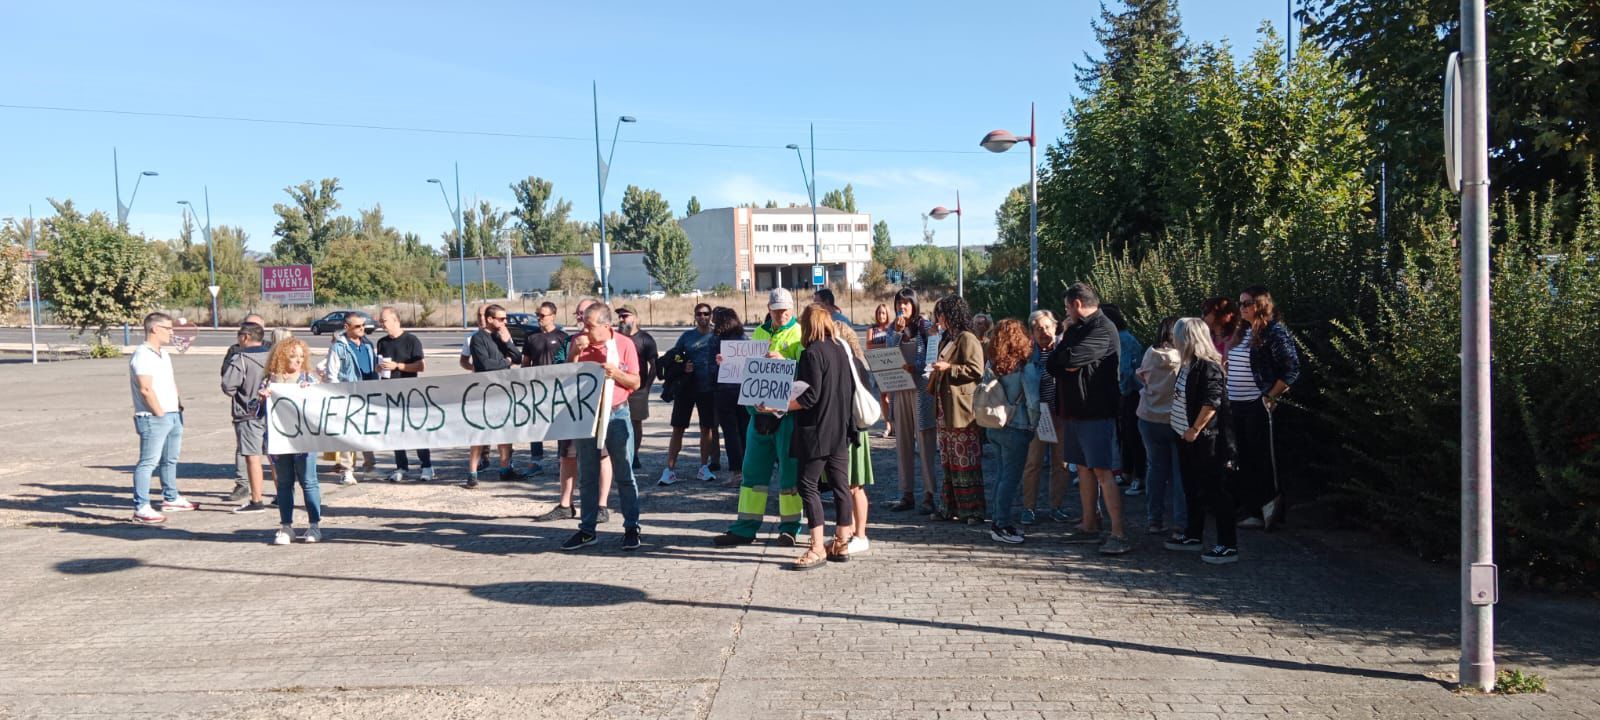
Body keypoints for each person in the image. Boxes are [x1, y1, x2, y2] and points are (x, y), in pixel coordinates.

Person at [760, 304, 855, 570]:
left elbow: (809, 397)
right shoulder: (839, 349)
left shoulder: (812, 353)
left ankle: (815, 547)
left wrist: (776, 405)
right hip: (839, 429)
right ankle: (841, 541)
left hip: (816, 431)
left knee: (807, 485)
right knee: (840, 486)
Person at [712, 288, 804, 547]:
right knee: (752, 472)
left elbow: (807, 372)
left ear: (792, 308)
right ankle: (745, 527)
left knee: (789, 475)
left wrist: (785, 361)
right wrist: (728, 364)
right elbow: (748, 370)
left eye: (785, 309)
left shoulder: (800, 334)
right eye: (776, 309)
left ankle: (790, 528)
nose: (781, 314)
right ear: (769, 309)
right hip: (759, 413)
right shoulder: (760, 334)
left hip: (786, 415)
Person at [1048, 283, 1131, 555]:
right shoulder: (1078, 328)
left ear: (1077, 304)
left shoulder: (1102, 329)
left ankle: (1118, 532)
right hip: (1075, 411)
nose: (1066, 314)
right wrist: (1065, 361)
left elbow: (1071, 357)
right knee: (1083, 468)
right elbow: (1056, 363)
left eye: (1066, 308)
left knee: (1102, 471)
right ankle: (1089, 523)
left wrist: (1065, 360)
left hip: (1096, 411)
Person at [559, 302, 645, 551]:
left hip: (617, 414)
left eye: (590, 325)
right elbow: (565, 378)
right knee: (587, 475)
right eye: (583, 324)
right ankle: (587, 530)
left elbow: (635, 382)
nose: (584, 330)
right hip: (587, 416)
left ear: (607, 326)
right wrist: (574, 353)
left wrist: (615, 374)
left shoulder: (624, 344)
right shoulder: (577, 341)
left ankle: (631, 527)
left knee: (624, 473)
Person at [1164, 317, 1238, 564]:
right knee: (1191, 487)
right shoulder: (1188, 364)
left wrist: (1195, 428)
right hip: (1184, 436)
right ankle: (1193, 534)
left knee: (1215, 490)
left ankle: (1228, 545)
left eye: (1177, 335)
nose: (1173, 339)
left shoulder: (1208, 366)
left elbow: (1212, 401)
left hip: (1206, 440)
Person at [1232, 285, 1300, 528]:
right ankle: (1252, 510)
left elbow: (1291, 369)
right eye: (1240, 303)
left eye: (1247, 303)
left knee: (1262, 458)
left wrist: (1271, 395)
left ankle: (1270, 511)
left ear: (1261, 305)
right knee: (1245, 457)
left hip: (1257, 403)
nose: (1242, 308)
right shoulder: (1243, 332)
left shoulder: (1275, 333)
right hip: (1236, 403)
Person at [127, 312, 196, 524]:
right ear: (155, 329)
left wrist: (177, 406)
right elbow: (145, 388)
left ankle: (171, 497)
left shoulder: (163, 354)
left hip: (173, 413)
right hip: (153, 416)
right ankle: (141, 506)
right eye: (168, 328)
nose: (171, 332)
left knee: (170, 459)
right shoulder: (143, 355)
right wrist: (159, 413)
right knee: (149, 462)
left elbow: (170, 382)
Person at [259, 338, 323, 545]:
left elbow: (321, 407)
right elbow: (256, 412)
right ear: (281, 356)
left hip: (304, 441)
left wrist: (313, 393)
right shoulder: (270, 380)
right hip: (279, 440)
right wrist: (262, 399)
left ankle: (314, 525)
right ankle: (286, 526)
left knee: (309, 481)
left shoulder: (308, 379)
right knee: (284, 483)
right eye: (293, 355)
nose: (297, 360)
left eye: (301, 356)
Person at [929, 295, 986, 523]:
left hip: (962, 411)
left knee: (966, 461)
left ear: (951, 314)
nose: (938, 319)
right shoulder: (947, 338)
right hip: (944, 410)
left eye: (940, 314)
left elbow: (976, 369)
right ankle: (949, 507)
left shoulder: (967, 338)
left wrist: (949, 368)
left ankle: (972, 510)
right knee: (949, 461)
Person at [884, 289, 940, 514]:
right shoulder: (892, 328)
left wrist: (915, 368)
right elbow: (887, 355)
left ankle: (929, 494)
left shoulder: (925, 326)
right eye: (899, 302)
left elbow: (933, 357)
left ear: (914, 304)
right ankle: (906, 494)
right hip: (900, 389)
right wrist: (897, 333)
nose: (903, 306)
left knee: (925, 443)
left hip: (921, 390)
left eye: (907, 302)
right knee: (903, 443)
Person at [986, 319, 1039, 544]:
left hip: (994, 425)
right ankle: (1001, 524)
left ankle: (998, 520)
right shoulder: (1024, 366)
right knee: (1010, 478)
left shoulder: (993, 364)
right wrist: (1034, 425)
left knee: (1001, 475)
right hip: (1017, 427)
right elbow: (1034, 401)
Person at [464, 304, 525, 489]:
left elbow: (518, 358)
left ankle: (505, 468)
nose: (504, 322)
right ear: (490, 319)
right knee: (479, 432)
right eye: (501, 319)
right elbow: (485, 364)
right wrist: (505, 362)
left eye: (505, 318)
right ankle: (472, 472)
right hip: (484, 391)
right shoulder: (477, 339)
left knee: (505, 431)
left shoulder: (501, 337)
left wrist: (508, 342)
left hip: (503, 390)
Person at [1136, 316, 1186, 535]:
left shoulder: (1150, 353)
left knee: (1155, 469)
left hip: (1149, 417)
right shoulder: (1184, 357)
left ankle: (1154, 519)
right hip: (1176, 419)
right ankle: (1181, 521)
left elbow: (1142, 377)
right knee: (1179, 473)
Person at [659, 302, 719, 485]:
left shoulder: (717, 337)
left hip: (708, 388)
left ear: (711, 316)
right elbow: (672, 358)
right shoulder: (687, 337)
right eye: (699, 314)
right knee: (678, 427)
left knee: (706, 428)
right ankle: (669, 469)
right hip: (687, 388)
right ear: (694, 316)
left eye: (706, 314)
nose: (702, 317)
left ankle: (703, 466)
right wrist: (682, 366)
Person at [1020, 310, 1070, 525]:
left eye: (1048, 327)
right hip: (1037, 416)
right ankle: (1028, 508)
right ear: (1032, 331)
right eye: (1039, 328)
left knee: (1062, 464)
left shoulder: (1064, 351)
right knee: (1033, 464)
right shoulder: (1027, 355)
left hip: (1061, 415)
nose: (1044, 332)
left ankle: (1056, 507)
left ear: (1055, 327)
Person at [834, 320, 877, 556]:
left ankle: (860, 533)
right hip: (850, 430)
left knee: (854, 486)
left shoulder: (853, 365)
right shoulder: (854, 362)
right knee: (847, 486)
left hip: (854, 432)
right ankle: (849, 530)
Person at [221, 322, 272, 514]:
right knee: (274, 456)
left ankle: (257, 500)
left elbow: (228, 386)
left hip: (248, 412)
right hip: (273, 412)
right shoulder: (273, 356)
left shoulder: (240, 358)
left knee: (253, 457)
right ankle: (281, 496)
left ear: (245, 337)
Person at [376, 307, 431, 483]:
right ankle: (401, 466)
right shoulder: (382, 342)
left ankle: (427, 466)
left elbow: (421, 366)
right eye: (380, 321)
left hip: (410, 391)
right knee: (395, 430)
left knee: (416, 429)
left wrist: (398, 367)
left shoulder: (411, 340)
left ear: (395, 320)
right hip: (390, 392)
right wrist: (379, 368)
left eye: (384, 320)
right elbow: (379, 365)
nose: (381, 324)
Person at [324, 313, 380, 484]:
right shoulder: (339, 347)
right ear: (347, 327)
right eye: (357, 326)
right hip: (347, 395)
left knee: (367, 432)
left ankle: (370, 466)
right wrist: (339, 393)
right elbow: (331, 374)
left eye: (363, 325)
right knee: (348, 433)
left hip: (367, 394)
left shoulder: (367, 345)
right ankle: (347, 470)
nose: (362, 329)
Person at [1101, 304, 1146, 494]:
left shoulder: (1123, 340)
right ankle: (1127, 472)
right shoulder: (1116, 338)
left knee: (1133, 436)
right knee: (1124, 436)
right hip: (1123, 393)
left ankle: (1139, 476)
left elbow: (1126, 372)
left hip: (1131, 394)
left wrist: (1118, 393)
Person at [520, 301, 569, 477]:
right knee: (536, 424)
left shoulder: (564, 337)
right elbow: (525, 363)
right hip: (536, 390)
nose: (539, 318)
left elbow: (570, 363)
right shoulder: (531, 337)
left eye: (542, 315)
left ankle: (561, 460)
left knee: (560, 424)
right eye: (537, 315)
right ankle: (536, 461)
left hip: (558, 389)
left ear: (553, 316)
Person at [711, 307, 749, 488]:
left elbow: (710, 367)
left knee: (731, 433)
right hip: (744, 391)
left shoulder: (717, 340)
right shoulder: (744, 339)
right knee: (745, 431)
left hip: (724, 391)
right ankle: (748, 470)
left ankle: (736, 472)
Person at [616, 305, 657, 471]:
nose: (621, 319)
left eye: (625, 316)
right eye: (619, 316)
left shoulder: (645, 339)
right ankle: (619, 455)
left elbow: (654, 365)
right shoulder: (615, 337)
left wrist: (647, 387)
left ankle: (634, 455)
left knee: (635, 423)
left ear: (635, 318)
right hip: (618, 386)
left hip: (637, 388)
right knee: (616, 422)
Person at [866, 303, 893, 439]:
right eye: (879, 313)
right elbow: (869, 346)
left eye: (883, 313)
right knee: (883, 396)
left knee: (892, 396)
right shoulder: (872, 329)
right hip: (878, 366)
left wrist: (881, 345)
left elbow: (895, 343)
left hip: (892, 365)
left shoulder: (892, 328)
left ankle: (896, 424)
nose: (881, 315)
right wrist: (886, 344)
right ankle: (888, 425)